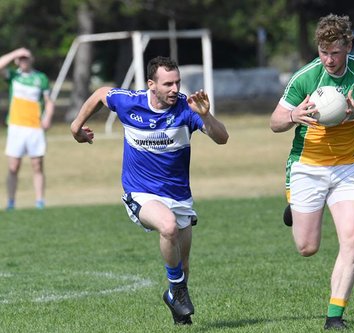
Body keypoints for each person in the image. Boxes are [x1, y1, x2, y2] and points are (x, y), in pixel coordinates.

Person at [71, 56, 228, 326]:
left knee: (183, 263)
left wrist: (205, 115)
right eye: (168, 84)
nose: (175, 89)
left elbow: (222, 138)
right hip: (140, 193)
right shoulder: (130, 102)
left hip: (179, 196)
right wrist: (76, 127)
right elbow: (99, 94)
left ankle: (176, 302)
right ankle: (177, 290)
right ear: (151, 85)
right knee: (167, 227)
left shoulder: (187, 109)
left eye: (177, 82)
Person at [270, 14, 354, 330]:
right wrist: (294, 115)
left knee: (353, 238)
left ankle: (334, 316)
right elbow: (275, 122)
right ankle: (296, 207)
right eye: (324, 52)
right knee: (307, 248)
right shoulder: (306, 78)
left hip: (347, 167)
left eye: (335, 52)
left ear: (348, 46)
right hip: (307, 168)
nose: (329, 60)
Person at [0, 47, 55, 210]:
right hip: (16, 126)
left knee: (37, 164)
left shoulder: (40, 78)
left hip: (35, 128)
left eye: (26, 58)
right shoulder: (14, 76)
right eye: (21, 59)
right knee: (13, 166)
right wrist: (15, 53)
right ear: (18, 60)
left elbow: (49, 101)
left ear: (32, 59)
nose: (24, 61)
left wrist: (47, 118)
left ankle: (39, 201)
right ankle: (11, 202)